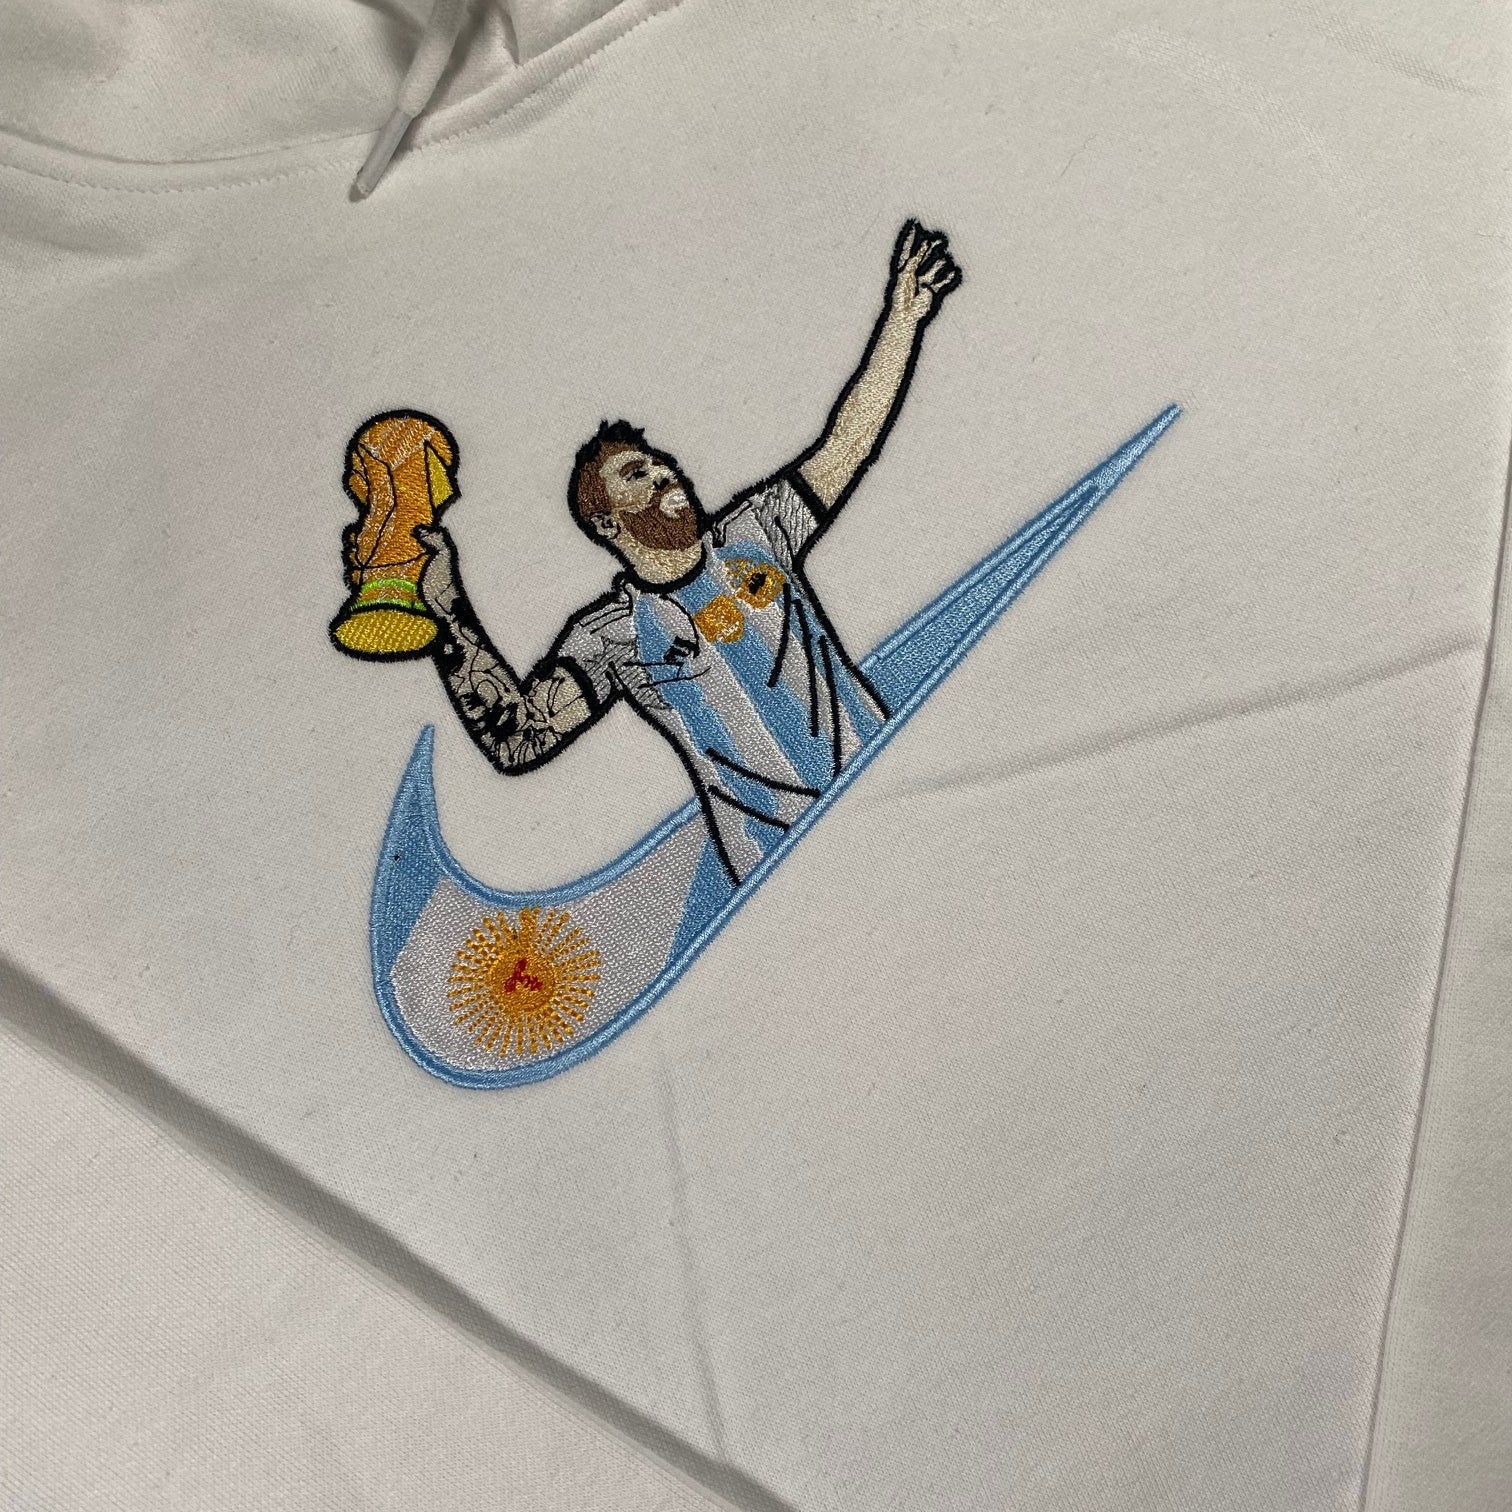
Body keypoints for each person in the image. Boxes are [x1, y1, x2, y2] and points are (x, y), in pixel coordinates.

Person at [415, 220, 961, 883]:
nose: (665, 474)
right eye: (636, 475)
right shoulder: (610, 638)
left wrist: (903, 319)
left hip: (895, 793)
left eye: (660, 463)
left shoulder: (758, 531)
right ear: (606, 523)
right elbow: (521, 738)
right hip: (786, 874)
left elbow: (849, 439)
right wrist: (445, 612)